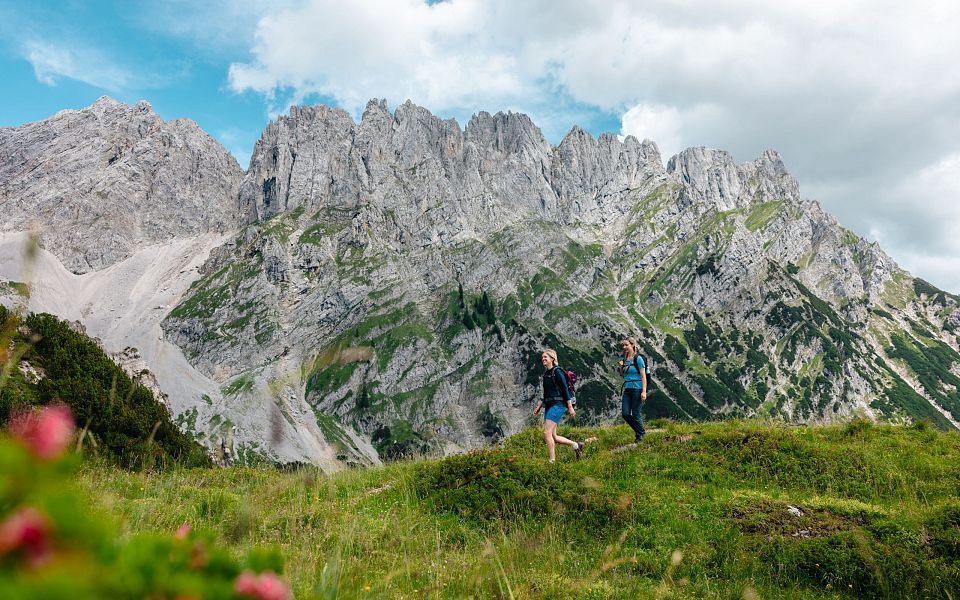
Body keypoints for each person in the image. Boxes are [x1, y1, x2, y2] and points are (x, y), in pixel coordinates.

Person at [532, 349, 584, 463]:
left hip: (558, 404)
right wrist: (539, 406)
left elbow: (565, 389)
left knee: (546, 433)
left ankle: (552, 462)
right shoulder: (546, 374)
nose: (543, 359)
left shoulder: (558, 371)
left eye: (546, 357)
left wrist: (570, 407)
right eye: (542, 357)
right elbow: (545, 393)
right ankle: (576, 445)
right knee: (554, 437)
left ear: (552, 359)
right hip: (549, 405)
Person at [617, 337, 647, 443]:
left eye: (626, 345)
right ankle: (641, 432)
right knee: (625, 413)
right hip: (627, 389)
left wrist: (644, 391)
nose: (624, 347)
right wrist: (621, 367)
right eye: (623, 345)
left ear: (632, 345)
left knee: (636, 413)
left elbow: (643, 376)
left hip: (637, 389)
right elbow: (622, 375)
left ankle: (640, 436)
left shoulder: (638, 359)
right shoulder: (625, 360)